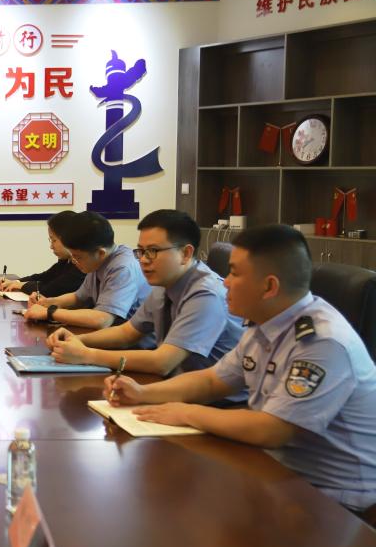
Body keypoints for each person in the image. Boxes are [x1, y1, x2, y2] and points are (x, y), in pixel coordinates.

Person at [107, 224, 376, 516]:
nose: (225, 282)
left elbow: (273, 430)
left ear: (269, 287)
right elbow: (212, 381)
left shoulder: (322, 342)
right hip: (276, 471)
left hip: (332, 499)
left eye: (234, 273)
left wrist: (186, 413)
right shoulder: (266, 321)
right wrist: (143, 393)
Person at [46, 209, 243, 375]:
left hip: (219, 401)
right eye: (140, 251)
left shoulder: (205, 294)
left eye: (153, 251)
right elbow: (127, 333)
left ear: (185, 253)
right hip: (179, 384)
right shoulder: (164, 284)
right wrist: (76, 340)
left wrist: (87, 355)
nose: (143, 260)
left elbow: (162, 362)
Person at [24, 210, 150, 329]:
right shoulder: (97, 261)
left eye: (77, 257)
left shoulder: (123, 268)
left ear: (100, 253)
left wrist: (49, 312)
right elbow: (78, 298)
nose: (74, 261)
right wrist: (47, 302)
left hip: (134, 343)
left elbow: (102, 319)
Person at [0, 210, 85, 298]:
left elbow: (48, 290)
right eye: (50, 240)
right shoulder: (65, 261)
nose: (51, 246)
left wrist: (20, 285)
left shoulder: (81, 265)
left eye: (54, 240)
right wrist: (15, 282)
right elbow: (44, 277)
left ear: (68, 238)